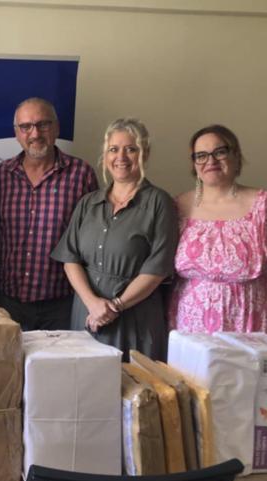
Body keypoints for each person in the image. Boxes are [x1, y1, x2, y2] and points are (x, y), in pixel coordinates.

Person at [52, 118, 178, 360]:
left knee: (132, 381)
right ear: (105, 155)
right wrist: (92, 303)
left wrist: (115, 306)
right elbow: (70, 259)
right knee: (84, 380)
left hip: (134, 317)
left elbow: (157, 269)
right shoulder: (88, 203)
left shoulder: (159, 203)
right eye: (113, 149)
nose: (121, 157)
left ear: (145, 154)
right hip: (87, 314)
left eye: (131, 149)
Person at [168, 124, 267, 336]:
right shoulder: (176, 207)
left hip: (251, 325)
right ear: (194, 164)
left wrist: (265, 299)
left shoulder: (264, 205)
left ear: (236, 156)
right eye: (201, 155)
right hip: (191, 327)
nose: (211, 161)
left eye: (220, 152)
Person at [0, 97, 99, 330]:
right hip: (8, 302)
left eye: (43, 124)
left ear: (57, 128)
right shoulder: (1, 175)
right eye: (26, 127)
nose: (35, 133)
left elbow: (93, 239)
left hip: (62, 304)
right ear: (16, 133)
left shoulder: (81, 175)